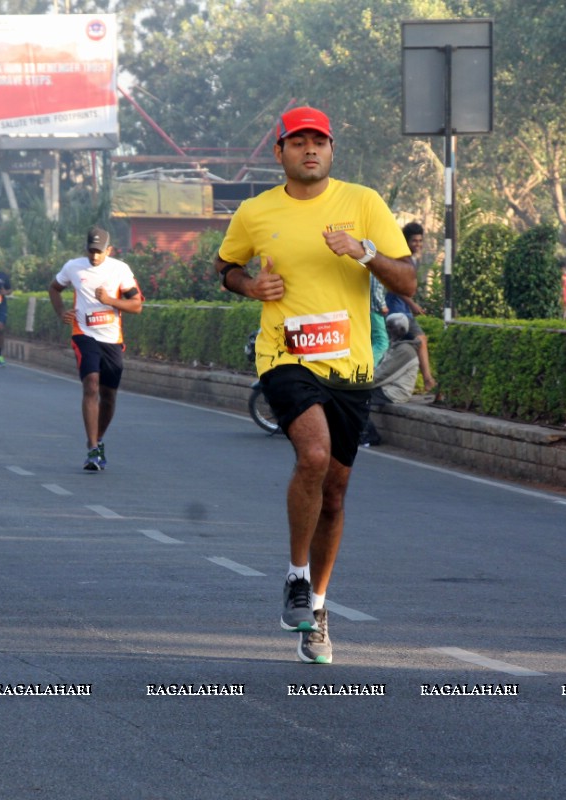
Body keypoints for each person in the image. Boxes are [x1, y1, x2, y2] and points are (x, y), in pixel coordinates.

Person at [214, 106, 417, 665]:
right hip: (285, 355)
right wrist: (251, 286)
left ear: (331, 151)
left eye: (319, 141)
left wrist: (364, 252)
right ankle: (296, 578)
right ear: (278, 152)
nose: (310, 150)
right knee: (314, 455)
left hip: (350, 366)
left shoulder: (363, 203)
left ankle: (318, 609)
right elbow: (224, 266)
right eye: (297, 141)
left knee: (335, 493)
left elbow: (408, 278)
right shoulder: (255, 212)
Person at [48, 226, 143, 471]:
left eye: (99, 252)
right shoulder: (73, 267)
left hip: (111, 339)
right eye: (91, 251)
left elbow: (136, 305)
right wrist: (61, 312)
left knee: (109, 396)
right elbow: (54, 288)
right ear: (86, 249)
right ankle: (92, 449)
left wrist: (110, 300)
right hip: (84, 334)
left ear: (108, 250)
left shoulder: (120, 269)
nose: (94, 256)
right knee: (91, 383)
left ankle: (98, 439)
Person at [360, 313, 422, 447]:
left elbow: (384, 374)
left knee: (358, 398)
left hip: (395, 391)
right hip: (387, 387)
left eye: (391, 328)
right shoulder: (397, 345)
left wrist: (362, 384)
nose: (388, 331)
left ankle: (370, 436)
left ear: (401, 330)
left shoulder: (405, 350)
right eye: (387, 327)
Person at [388, 222, 437, 391]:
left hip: (404, 312)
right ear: (406, 241)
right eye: (414, 241)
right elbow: (394, 286)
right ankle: (428, 380)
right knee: (420, 339)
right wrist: (413, 305)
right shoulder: (400, 259)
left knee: (400, 348)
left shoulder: (411, 261)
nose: (418, 244)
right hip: (396, 313)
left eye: (420, 241)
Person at [370, 273, 389, 366]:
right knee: (382, 342)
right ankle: (370, 366)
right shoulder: (376, 269)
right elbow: (376, 290)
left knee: (372, 340)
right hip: (374, 310)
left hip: (366, 309)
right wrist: (383, 306)